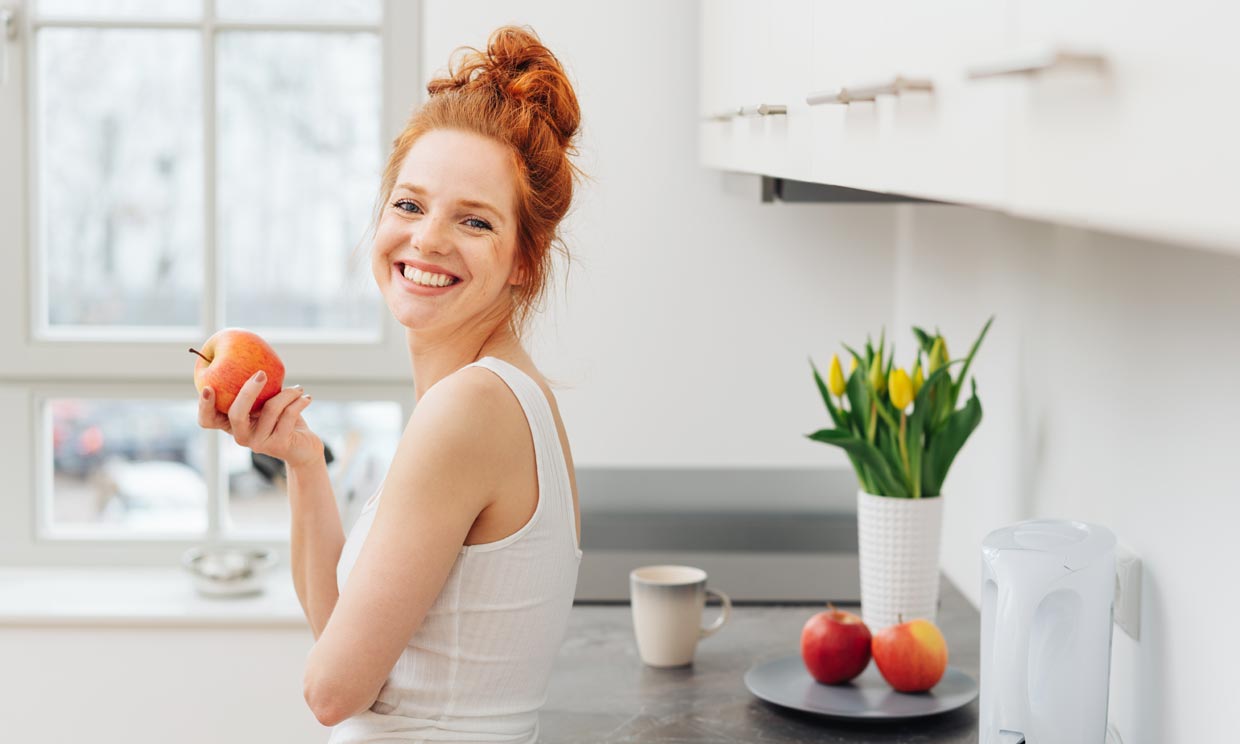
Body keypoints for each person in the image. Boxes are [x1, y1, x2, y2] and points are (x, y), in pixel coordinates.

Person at [195, 24, 585, 743]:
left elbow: (332, 689)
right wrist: (305, 462)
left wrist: (331, 676)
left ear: (525, 261)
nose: (428, 239)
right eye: (409, 204)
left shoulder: (468, 408)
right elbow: (346, 638)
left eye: (474, 220)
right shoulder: (501, 396)